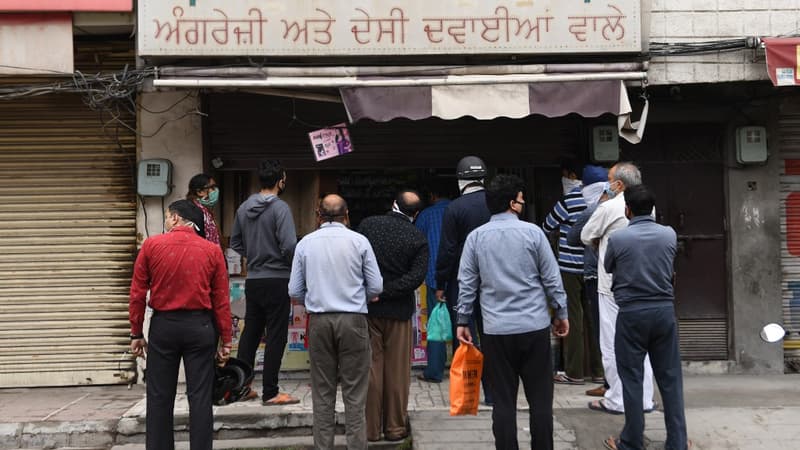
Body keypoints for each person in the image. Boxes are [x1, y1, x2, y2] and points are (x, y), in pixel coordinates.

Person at [456, 174, 569, 450]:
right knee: (540, 400)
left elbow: (467, 283)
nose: (523, 203)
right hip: (534, 326)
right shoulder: (534, 233)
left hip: (496, 330)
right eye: (521, 199)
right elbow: (552, 278)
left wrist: (462, 319)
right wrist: (561, 311)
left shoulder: (476, 238)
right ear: (512, 203)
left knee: (503, 401)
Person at [129, 200, 232, 450]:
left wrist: (136, 332)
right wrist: (227, 339)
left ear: (175, 218)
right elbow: (221, 299)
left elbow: (137, 293)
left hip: (164, 327)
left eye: (167, 216)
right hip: (200, 328)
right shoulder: (212, 251)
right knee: (200, 397)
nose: (166, 221)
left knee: (159, 396)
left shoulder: (152, 246)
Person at [288, 194, 383, 450]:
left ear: (318, 215)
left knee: (322, 392)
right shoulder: (359, 241)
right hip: (353, 321)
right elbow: (376, 286)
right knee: (355, 394)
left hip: (319, 321)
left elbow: (294, 290)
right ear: (347, 215)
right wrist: (356, 297)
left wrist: (317, 295)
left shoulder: (306, 244)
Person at [600, 184, 688, 450]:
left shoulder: (618, 239)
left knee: (632, 378)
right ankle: (678, 442)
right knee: (670, 378)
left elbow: (608, 267)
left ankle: (631, 441)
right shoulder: (669, 235)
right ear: (652, 209)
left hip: (631, 314)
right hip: (663, 312)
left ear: (627, 210)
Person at [581, 162, 655, 415]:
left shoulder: (610, 206)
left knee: (612, 342)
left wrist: (600, 243)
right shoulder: (649, 207)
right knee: (642, 344)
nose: (607, 184)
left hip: (611, 285)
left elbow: (585, 235)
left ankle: (616, 398)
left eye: (610, 180)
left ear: (619, 185)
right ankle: (645, 399)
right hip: (642, 284)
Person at [358, 190, 429, 442]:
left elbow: (356, 261)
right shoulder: (417, 237)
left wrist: (373, 291)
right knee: (397, 372)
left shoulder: (368, 226)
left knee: (371, 370)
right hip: (398, 311)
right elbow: (415, 278)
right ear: (416, 213)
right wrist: (388, 292)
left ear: (393, 204)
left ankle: (370, 429)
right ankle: (395, 428)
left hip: (368, 309)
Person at [230, 160, 299, 405]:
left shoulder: (243, 208)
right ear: (281, 180)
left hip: (255, 280)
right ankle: (270, 392)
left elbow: (236, 244)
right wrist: (290, 262)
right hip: (277, 278)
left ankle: (241, 387)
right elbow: (290, 245)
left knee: (250, 333)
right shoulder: (281, 209)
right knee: (276, 335)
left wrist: (255, 253)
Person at [432, 156, 492, 402]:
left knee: (465, 335)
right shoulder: (496, 203)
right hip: (493, 280)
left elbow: (447, 250)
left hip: (462, 280)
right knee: (491, 335)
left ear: (460, 181)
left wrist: (440, 283)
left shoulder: (455, 208)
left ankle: (468, 395)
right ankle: (493, 394)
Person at [543, 160, 603, 386]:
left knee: (573, 319)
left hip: (569, 267)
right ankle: (599, 372)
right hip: (596, 268)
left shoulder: (570, 199)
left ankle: (575, 373)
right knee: (596, 319)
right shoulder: (605, 200)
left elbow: (547, 225)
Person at [567, 165, 610, 397]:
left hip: (594, 275)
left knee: (599, 326)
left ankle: (609, 384)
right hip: (619, 278)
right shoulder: (624, 208)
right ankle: (603, 376)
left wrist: (592, 239)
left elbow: (573, 237)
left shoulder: (592, 210)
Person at [415, 181, 452, 383]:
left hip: (434, 278)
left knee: (437, 325)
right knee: (465, 323)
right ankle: (465, 370)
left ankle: (435, 371)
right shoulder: (459, 210)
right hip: (462, 278)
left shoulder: (426, 215)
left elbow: (414, 242)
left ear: (432, 196)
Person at [186, 173, 220, 245]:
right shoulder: (192, 211)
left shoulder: (204, 209)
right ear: (200, 192)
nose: (216, 190)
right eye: (212, 187)